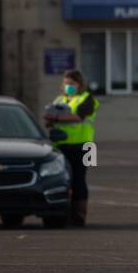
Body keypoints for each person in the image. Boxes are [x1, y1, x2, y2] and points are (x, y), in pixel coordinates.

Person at [43, 69, 98, 226]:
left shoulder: (87, 99)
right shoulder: (60, 100)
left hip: (86, 146)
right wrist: (50, 119)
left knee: (79, 180)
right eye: (66, 83)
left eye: (71, 84)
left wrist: (56, 116)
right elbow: (50, 120)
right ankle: (64, 214)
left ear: (80, 84)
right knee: (63, 180)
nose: (68, 87)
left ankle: (79, 216)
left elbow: (78, 117)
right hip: (62, 145)